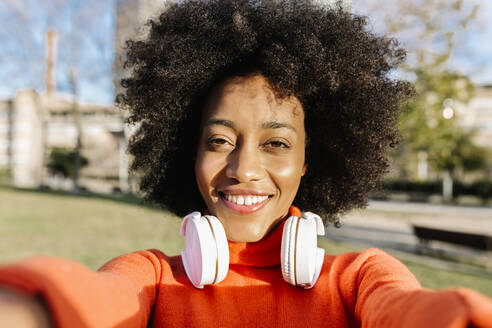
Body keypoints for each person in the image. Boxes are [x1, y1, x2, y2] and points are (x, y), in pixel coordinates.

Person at [1, 0, 492, 327]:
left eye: (276, 144)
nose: (243, 168)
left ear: (308, 160)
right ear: (187, 151)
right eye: (219, 140)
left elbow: (413, 312)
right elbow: (84, 302)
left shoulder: (358, 278)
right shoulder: (150, 277)